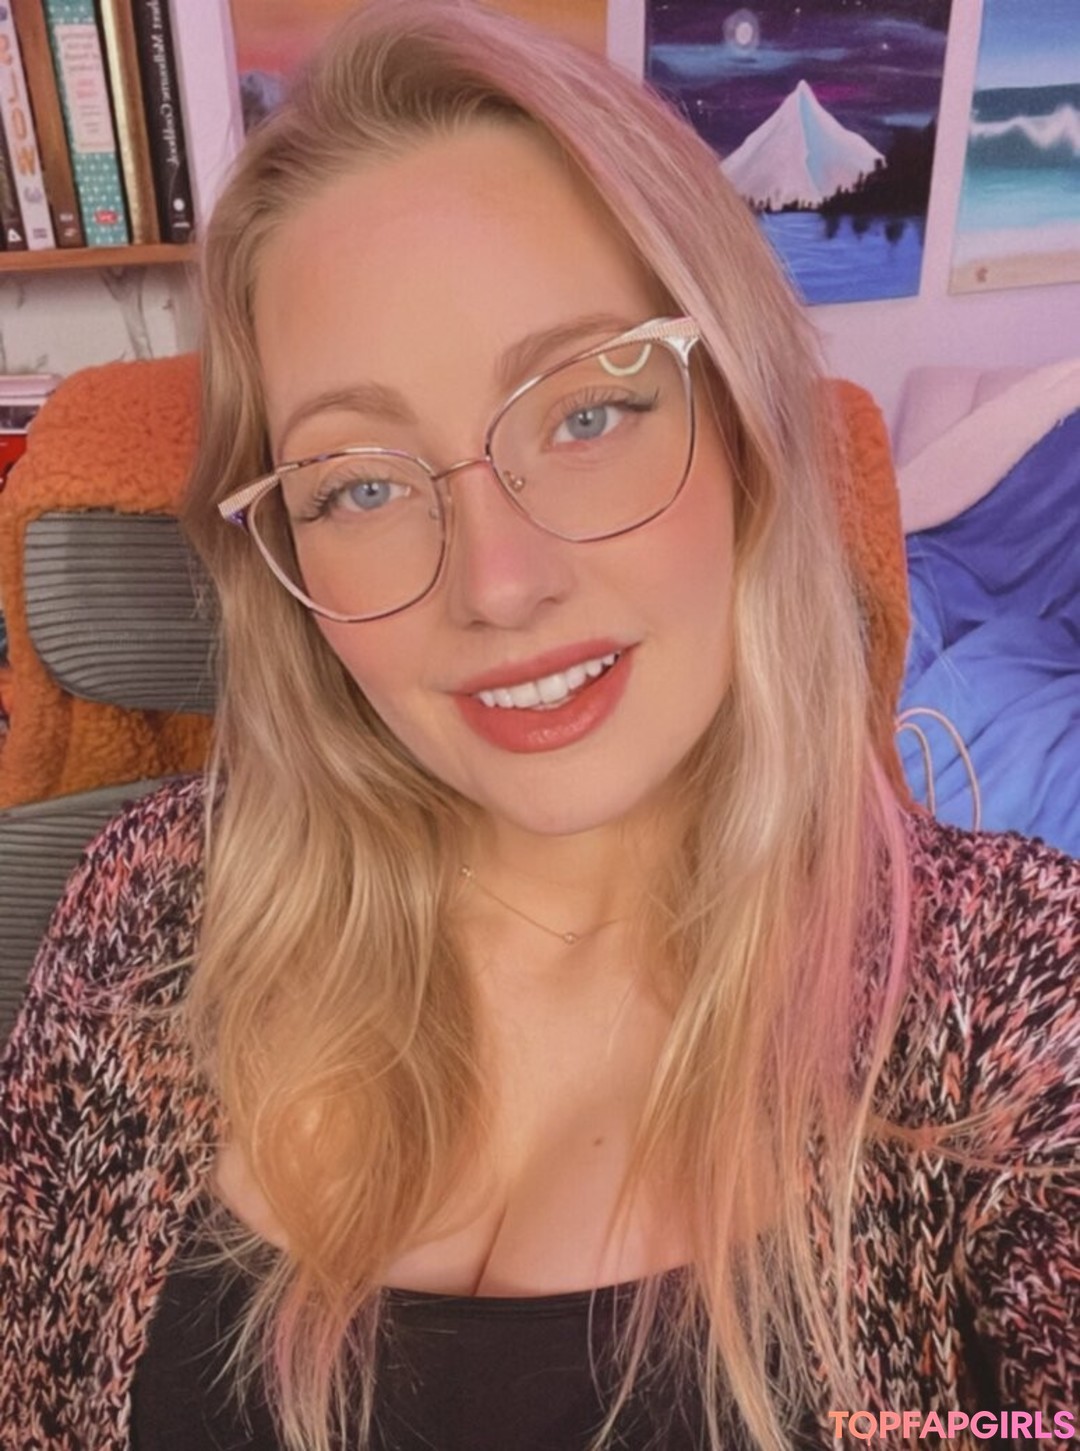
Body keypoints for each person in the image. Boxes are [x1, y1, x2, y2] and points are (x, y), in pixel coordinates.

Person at [2, 2, 1077, 1449]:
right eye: (360, 485)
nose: (500, 585)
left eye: (586, 414)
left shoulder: (1016, 1001)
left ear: (744, 425)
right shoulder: (145, 916)